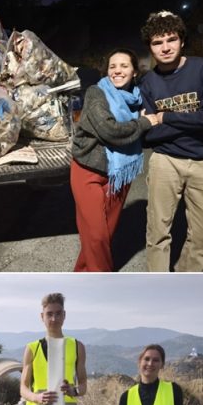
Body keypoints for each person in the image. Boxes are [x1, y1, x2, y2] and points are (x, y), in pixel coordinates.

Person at [139, 10, 203, 272]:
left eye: (171, 39)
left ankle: (189, 285)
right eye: (157, 42)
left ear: (182, 40)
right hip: (165, 160)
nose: (165, 48)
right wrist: (194, 122)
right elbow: (147, 136)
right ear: (150, 47)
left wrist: (165, 117)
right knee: (157, 234)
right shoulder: (147, 82)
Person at [70, 48, 159, 272]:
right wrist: (143, 123)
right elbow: (109, 130)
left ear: (134, 71)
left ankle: (81, 276)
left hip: (120, 172)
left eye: (124, 66)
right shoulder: (96, 93)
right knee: (97, 235)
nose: (117, 71)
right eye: (112, 66)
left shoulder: (137, 98)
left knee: (104, 235)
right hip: (88, 169)